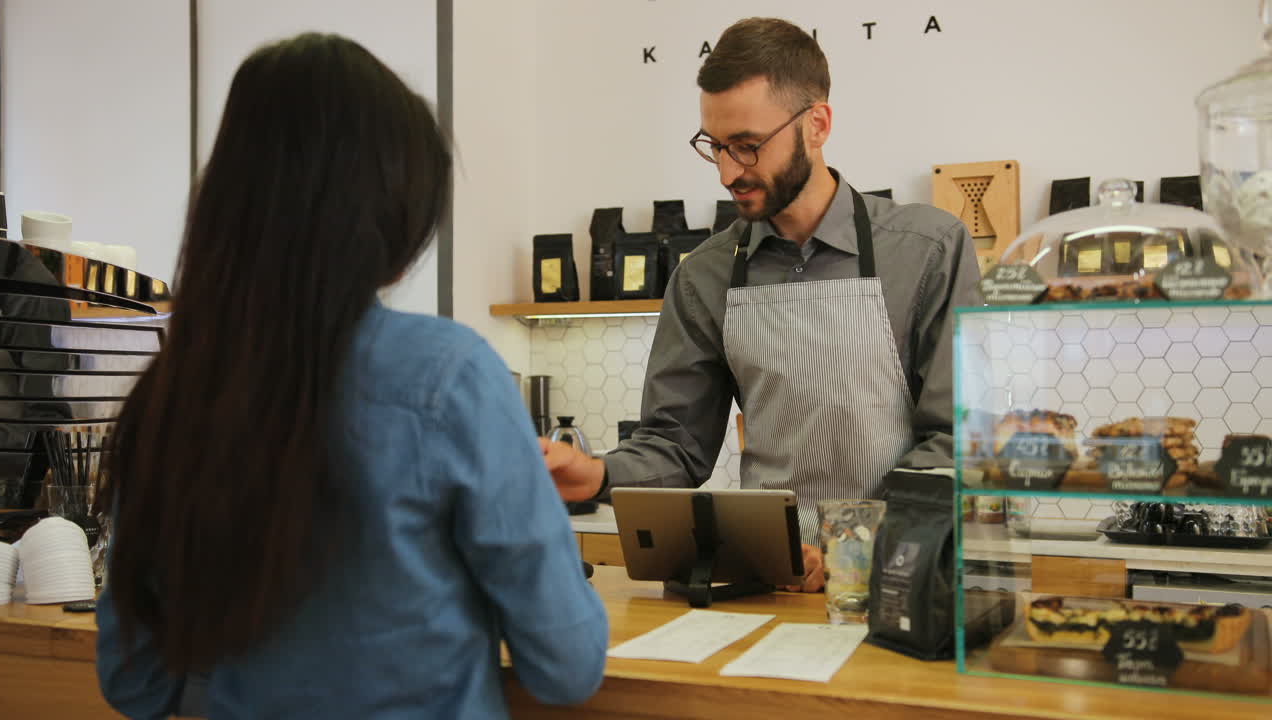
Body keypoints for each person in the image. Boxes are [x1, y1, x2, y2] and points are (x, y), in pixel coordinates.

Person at [96, 33, 607, 719]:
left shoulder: (172, 397)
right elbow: (567, 668)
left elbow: (134, 684)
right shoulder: (449, 377)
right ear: (382, 219)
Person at [542, 18, 981, 592]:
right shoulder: (703, 275)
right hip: (771, 577)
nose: (728, 172)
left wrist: (855, 547)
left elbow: (958, 437)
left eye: (748, 147)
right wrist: (599, 473)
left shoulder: (928, 249)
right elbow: (676, 445)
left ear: (817, 124)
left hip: (905, 575)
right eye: (715, 147)